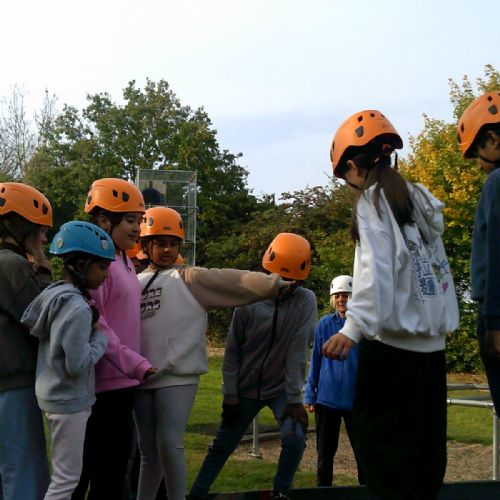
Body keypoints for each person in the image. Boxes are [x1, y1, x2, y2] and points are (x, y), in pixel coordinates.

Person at [322, 110, 459, 500]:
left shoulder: (373, 201)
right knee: (424, 455)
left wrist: (353, 327)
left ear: (352, 166)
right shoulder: (416, 199)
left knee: (381, 453)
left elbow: (376, 270)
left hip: (393, 348)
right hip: (431, 351)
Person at [134, 208, 294, 500]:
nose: (167, 249)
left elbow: (230, 280)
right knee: (148, 453)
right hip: (141, 376)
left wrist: (272, 284)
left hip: (177, 375)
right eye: (160, 243)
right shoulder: (135, 282)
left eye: (173, 243)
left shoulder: (189, 278)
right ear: (145, 245)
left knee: (169, 444)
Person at [189, 232, 317, 500]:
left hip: (281, 390)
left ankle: (281, 492)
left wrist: (295, 400)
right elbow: (233, 350)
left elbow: (298, 351)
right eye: (279, 279)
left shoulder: (306, 301)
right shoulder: (249, 299)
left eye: (292, 282)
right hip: (245, 388)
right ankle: (197, 495)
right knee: (223, 444)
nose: (285, 286)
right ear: (267, 272)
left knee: (295, 437)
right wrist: (230, 395)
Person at [73, 178, 156, 500]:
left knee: (114, 470)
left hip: (123, 382)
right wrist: (134, 363)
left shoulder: (122, 258)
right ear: (105, 221)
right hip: (104, 384)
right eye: (131, 220)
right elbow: (98, 323)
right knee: (96, 472)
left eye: (139, 220)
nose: (138, 228)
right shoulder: (99, 265)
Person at [21, 221, 115, 499]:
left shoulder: (55, 296)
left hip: (54, 396)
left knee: (63, 474)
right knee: (66, 479)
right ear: (81, 265)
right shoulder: (77, 309)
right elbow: (77, 364)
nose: (106, 275)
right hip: (69, 401)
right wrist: (101, 338)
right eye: (102, 267)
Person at [0, 182, 52, 500]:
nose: (44, 239)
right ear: (21, 227)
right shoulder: (11, 264)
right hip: (12, 387)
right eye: (41, 230)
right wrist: (44, 275)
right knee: (25, 473)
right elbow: (43, 320)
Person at [457, 90, 500, 412]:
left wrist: (494, 321)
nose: (480, 165)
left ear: (494, 139)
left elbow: (497, 252)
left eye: (477, 153)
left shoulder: (497, 181)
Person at [304, 274, 363, 487]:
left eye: (346, 295)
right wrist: (310, 394)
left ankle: (366, 492)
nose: (341, 299)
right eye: (337, 295)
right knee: (325, 454)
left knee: (363, 454)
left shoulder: (363, 326)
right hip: (327, 400)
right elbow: (316, 360)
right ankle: (323, 492)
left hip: (356, 401)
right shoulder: (324, 324)